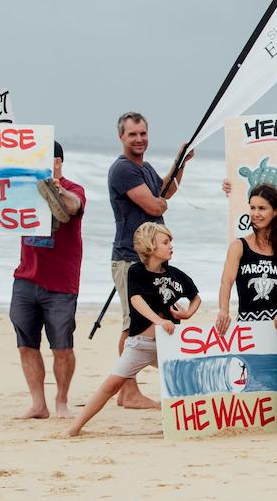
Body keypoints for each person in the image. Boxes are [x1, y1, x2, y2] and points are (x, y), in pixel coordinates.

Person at [65, 223, 197, 437]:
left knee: (182, 382)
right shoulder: (136, 271)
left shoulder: (176, 274)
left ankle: (180, 424)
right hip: (141, 344)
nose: (171, 246)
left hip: (169, 344)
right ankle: (74, 427)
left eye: (170, 241)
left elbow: (196, 297)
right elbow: (136, 300)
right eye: (165, 242)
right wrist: (158, 321)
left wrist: (188, 313)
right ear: (149, 247)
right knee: (112, 384)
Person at [107, 112, 189, 409]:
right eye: (133, 135)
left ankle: (129, 388)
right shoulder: (123, 170)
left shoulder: (145, 168)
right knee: (133, 325)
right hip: (129, 259)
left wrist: (180, 164)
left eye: (143, 133)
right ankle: (127, 390)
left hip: (149, 260)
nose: (139, 139)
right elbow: (155, 205)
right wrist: (161, 202)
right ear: (121, 137)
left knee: (147, 320)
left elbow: (166, 192)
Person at [11, 141, 85, 419]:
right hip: (25, 276)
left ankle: (62, 401)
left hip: (61, 283)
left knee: (62, 347)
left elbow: (74, 206)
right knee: (26, 344)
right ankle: (38, 403)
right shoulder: (23, 189)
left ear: (57, 162)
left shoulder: (74, 188)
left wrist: (56, 188)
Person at [216, 183, 277, 331]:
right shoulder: (238, 246)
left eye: (262, 208)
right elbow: (226, 282)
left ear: (275, 211)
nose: (255, 214)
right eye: (252, 208)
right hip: (247, 324)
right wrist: (224, 310)